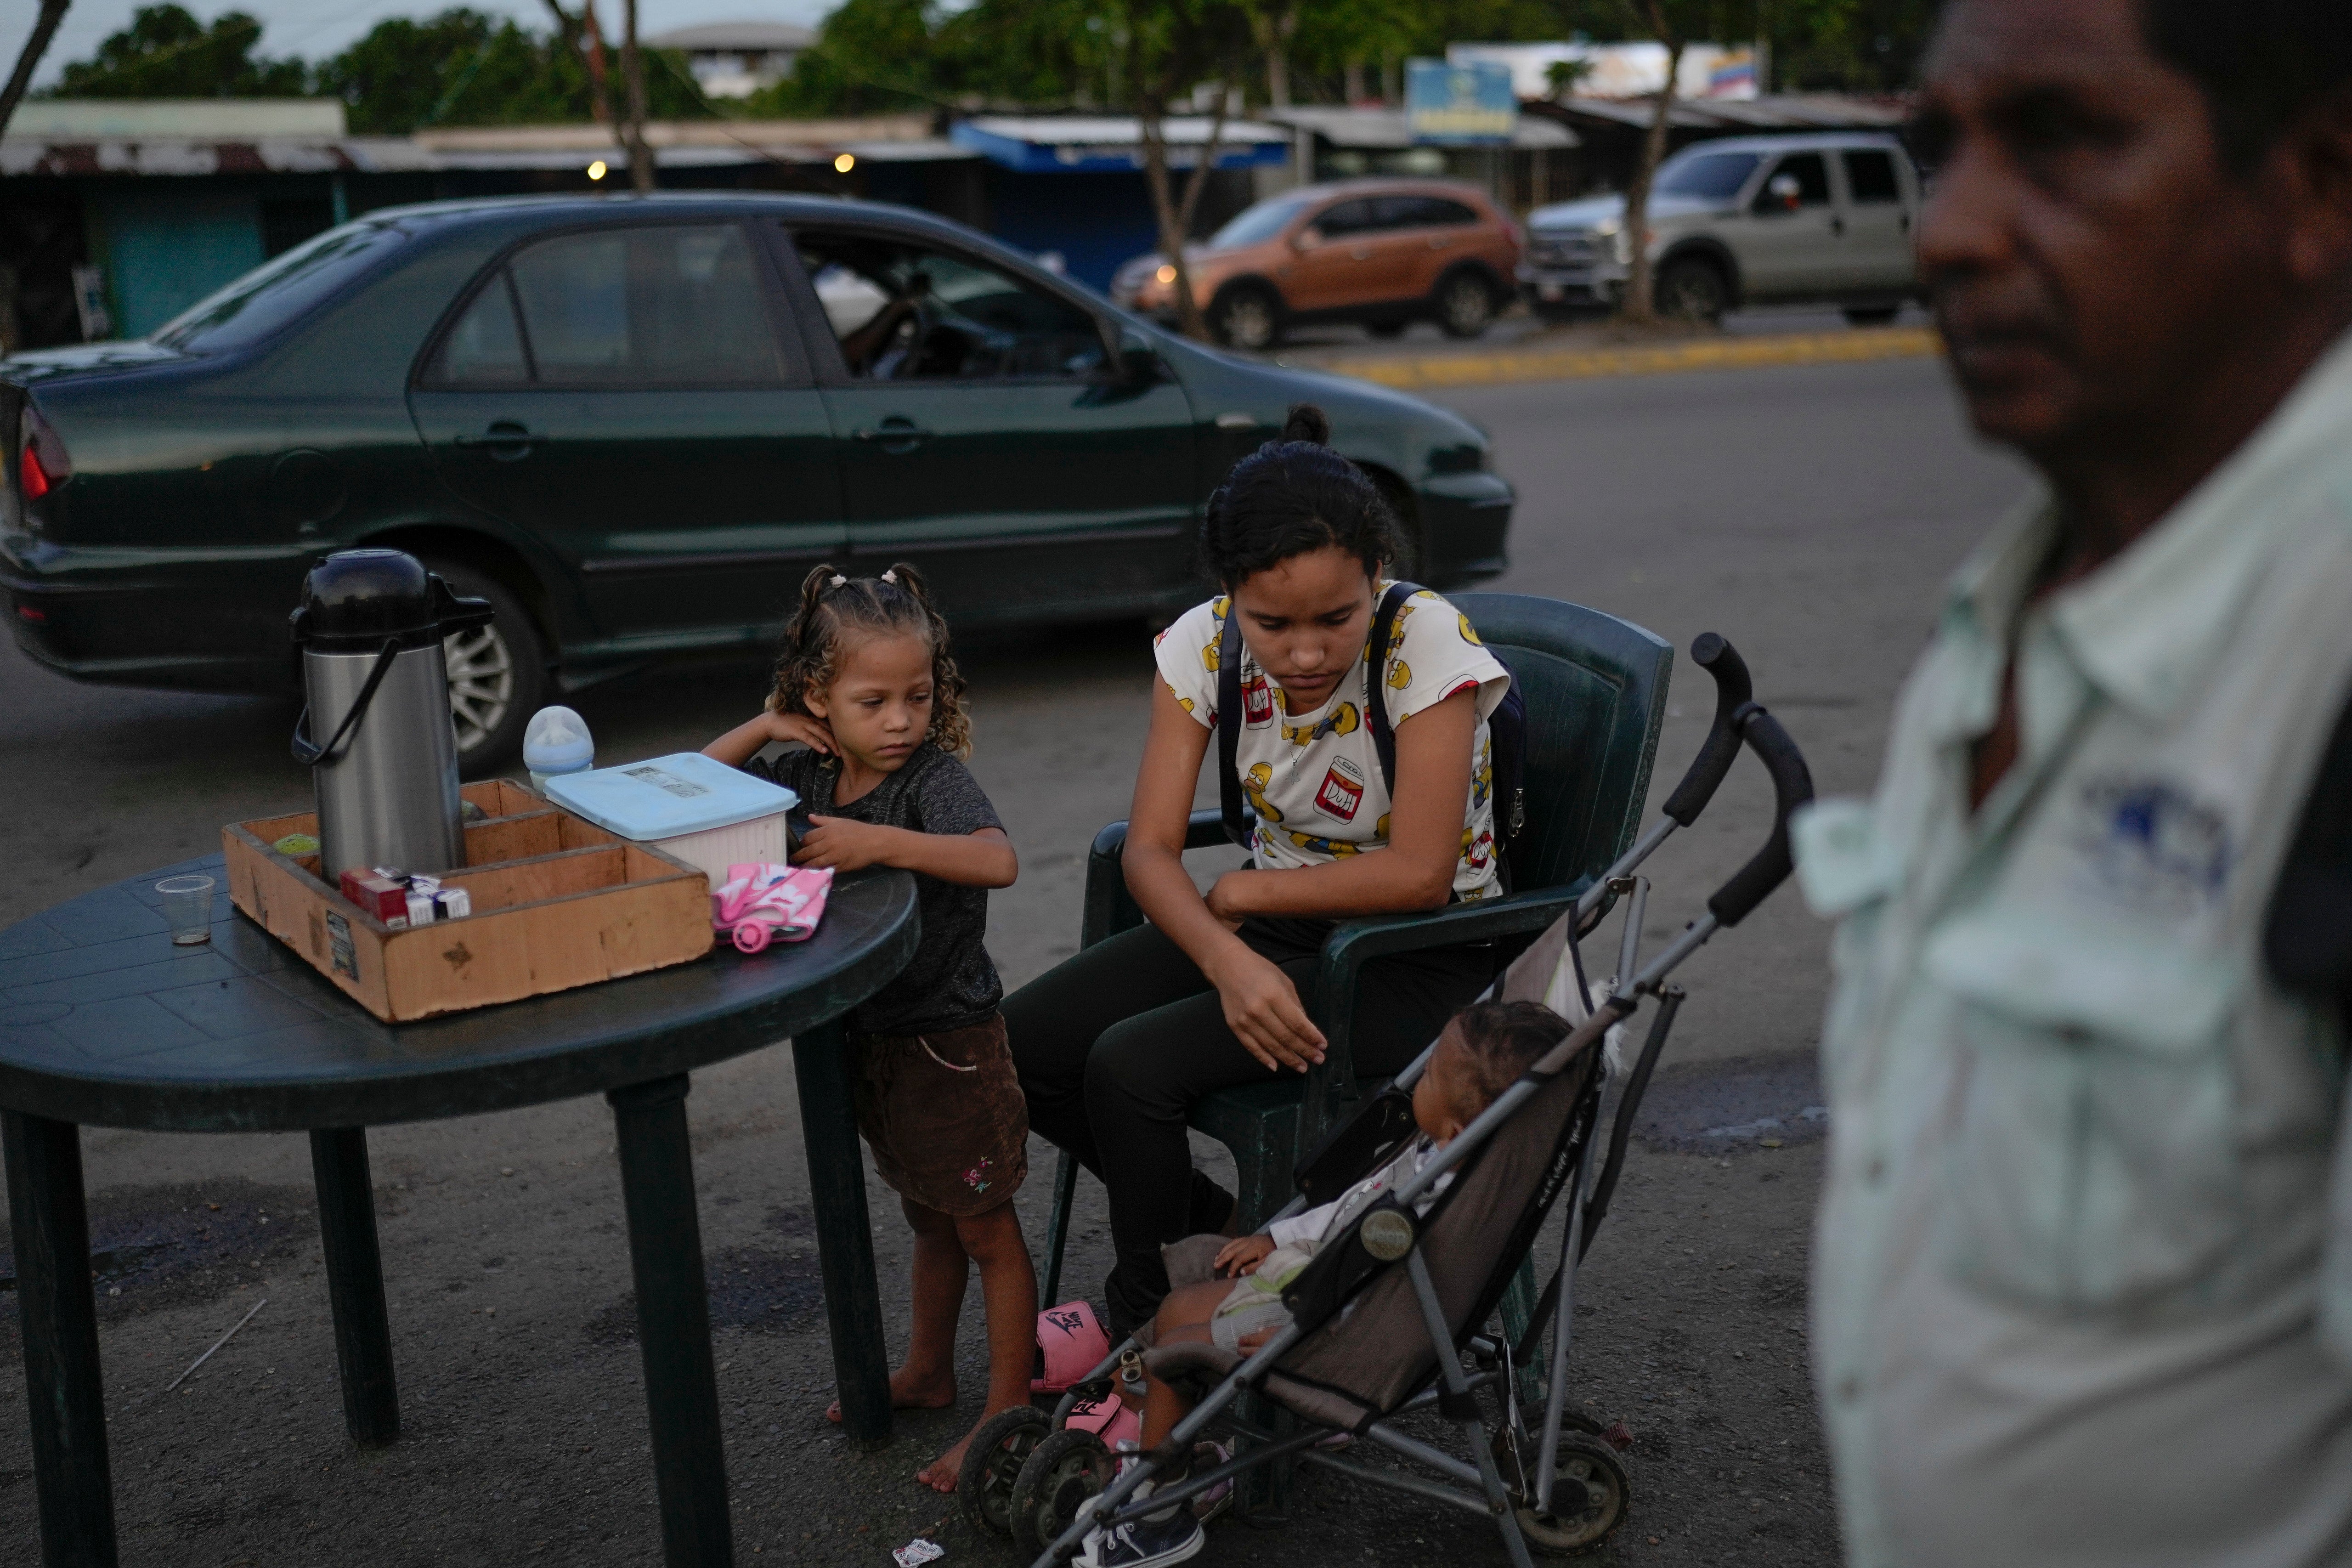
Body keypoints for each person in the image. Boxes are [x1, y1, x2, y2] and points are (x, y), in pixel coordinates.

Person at [1792, 2, 2352, 1563]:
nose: (1952, 233)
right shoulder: (2017, 605)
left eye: (2062, 140)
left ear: (2321, 186)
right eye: (1938, 152)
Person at [1004, 403, 1515, 1337]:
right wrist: (1226, 956)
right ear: (1230, 597)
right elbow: (1149, 846)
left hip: (1420, 953)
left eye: (1337, 616)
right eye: (1272, 623)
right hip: (1278, 933)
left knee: (1129, 1066)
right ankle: (1208, 1231)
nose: (1308, 650)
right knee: (1022, 1047)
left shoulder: (1422, 643)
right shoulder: (1203, 646)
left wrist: (1240, 895)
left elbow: (1421, 876)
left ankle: (1153, 1323)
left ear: (1378, 576)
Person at [703, 564, 1031, 1493]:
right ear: (819, 695)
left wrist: (877, 841)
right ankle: (930, 1371)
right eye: (872, 699)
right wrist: (767, 724)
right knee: (929, 1215)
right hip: (869, 1040)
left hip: (947, 1042)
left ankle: (1008, 1409)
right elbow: (690, 786)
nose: (899, 720)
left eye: (917, 696)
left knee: (984, 1229)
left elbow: (996, 858)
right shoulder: (802, 764)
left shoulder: (930, 778)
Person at [1069, 998, 1569, 1568]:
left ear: (1457, 1129)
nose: (1418, 1077)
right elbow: (1345, 1209)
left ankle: (1157, 1509)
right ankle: (1170, 1451)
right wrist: (1277, 1238)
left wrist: (1305, 1333)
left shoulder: (1436, 1205)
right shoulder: (1434, 1156)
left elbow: (1385, 1297)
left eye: (1429, 1075)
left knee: (1175, 1347)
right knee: (1178, 1305)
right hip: (1318, 1278)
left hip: (1331, 1321)